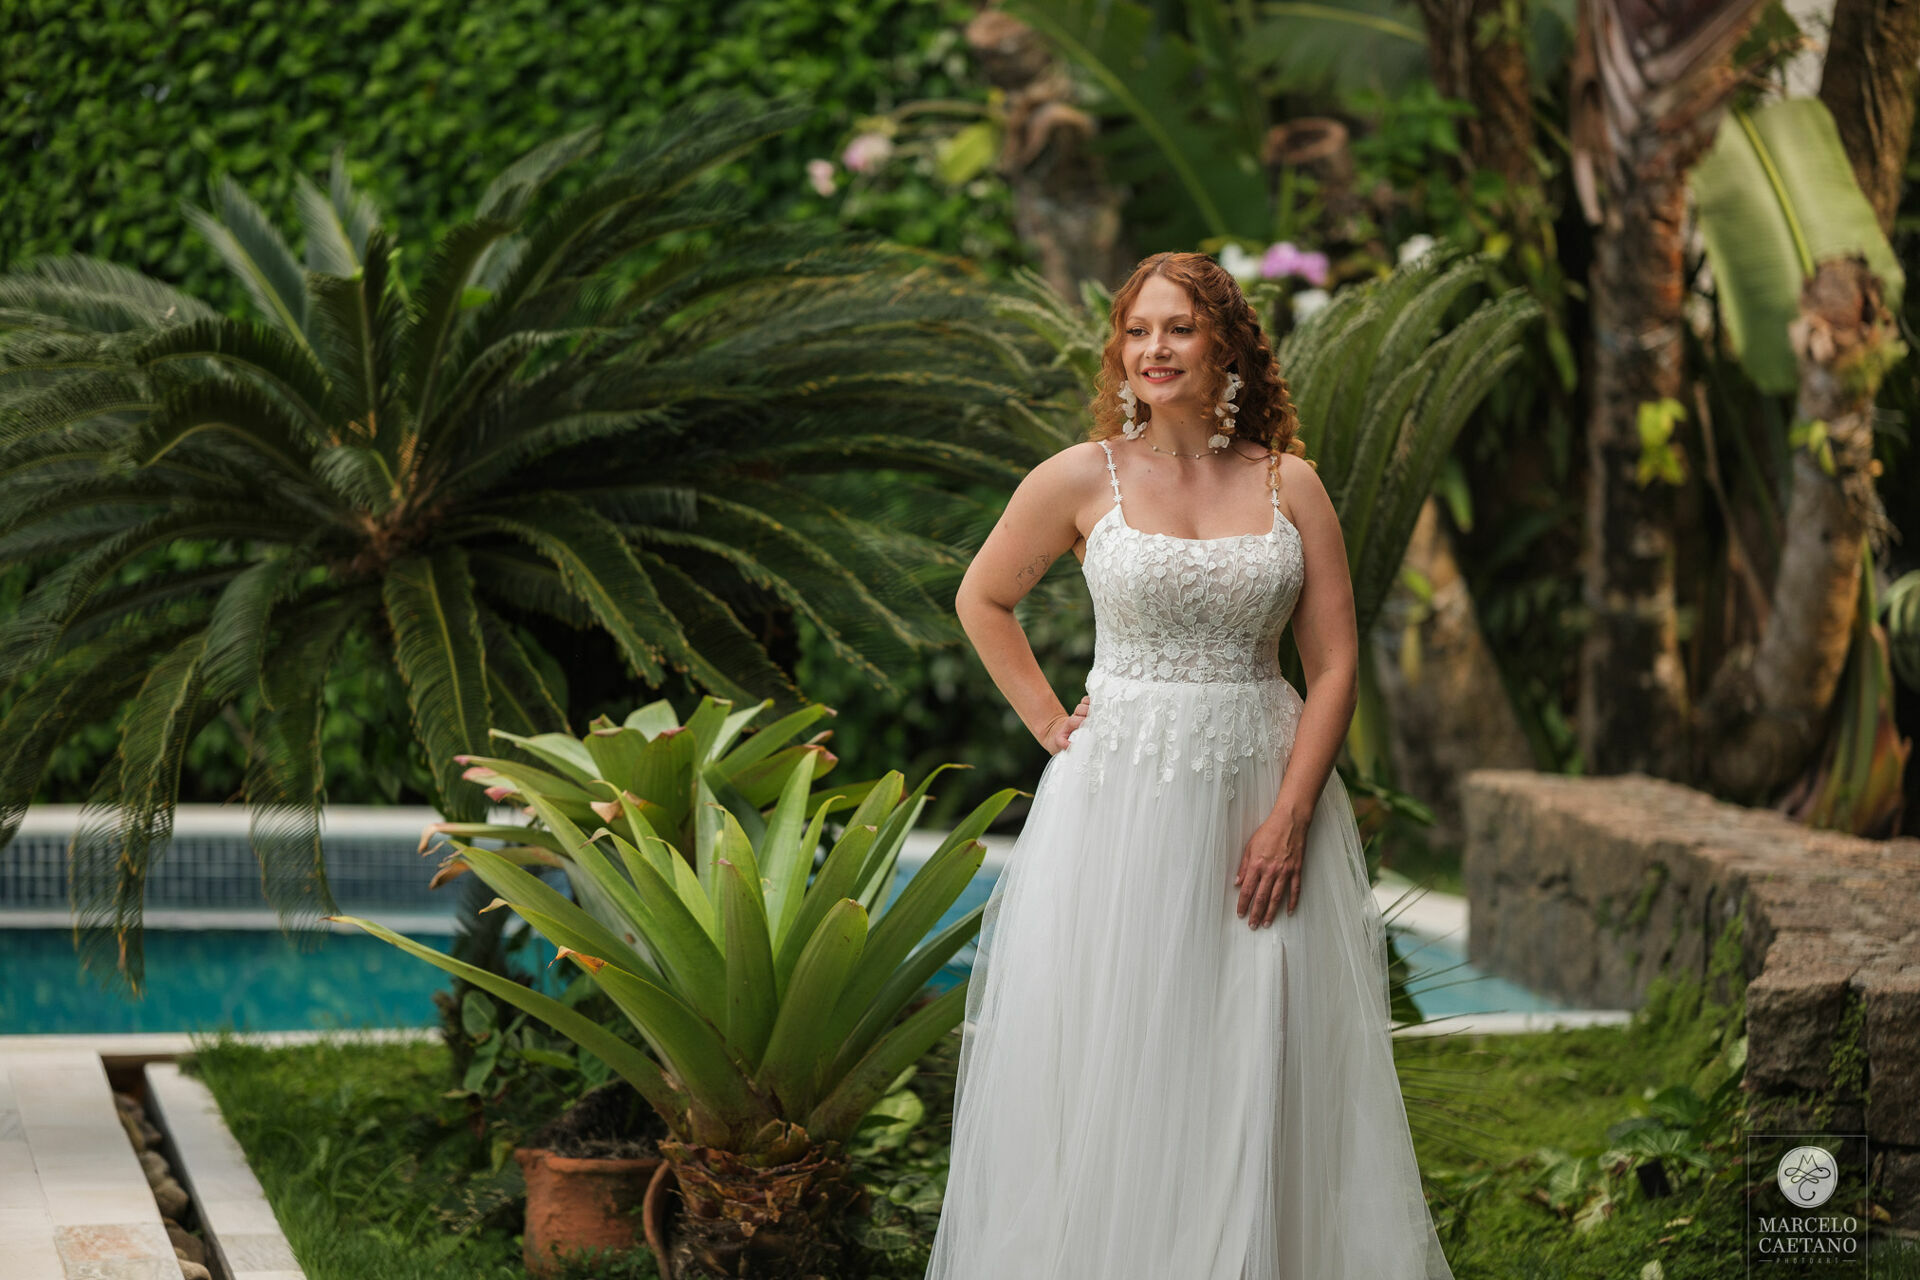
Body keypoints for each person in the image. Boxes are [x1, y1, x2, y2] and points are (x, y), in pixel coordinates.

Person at [923, 252, 1455, 1279]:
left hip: (1265, 791)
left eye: (1179, 328)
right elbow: (981, 597)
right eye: (1137, 331)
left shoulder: (1290, 483)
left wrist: (1290, 816)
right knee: (1128, 1045)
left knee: (1259, 1039)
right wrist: (1051, 723)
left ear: (1227, 345)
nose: (1154, 349)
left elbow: (1335, 665)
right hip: (1119, 801)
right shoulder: (1081, 476)